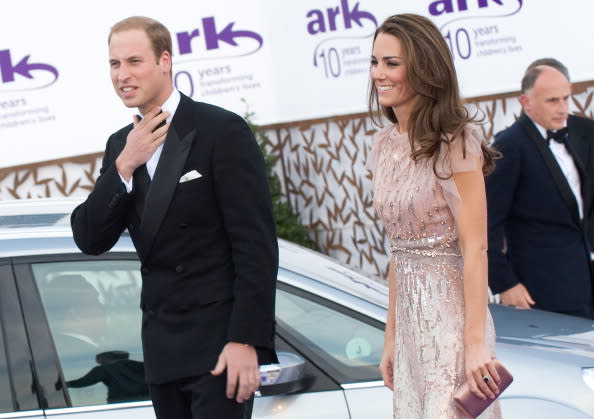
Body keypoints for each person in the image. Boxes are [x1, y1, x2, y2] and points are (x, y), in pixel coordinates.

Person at [70, 16, 278, 418]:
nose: (122, 75)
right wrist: (125, 165)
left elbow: (255, 247)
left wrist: (245, 340)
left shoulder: (220, 130)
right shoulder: (120, 145)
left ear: (165, 61)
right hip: (162, 351)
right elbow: (89, 237)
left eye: (134, 61)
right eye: (114, 64)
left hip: (219, 348)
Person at [367, 14, 502, 418]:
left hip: (453, 322)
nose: (379, 74)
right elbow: (399, 251)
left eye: (392, 63)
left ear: (425, 68)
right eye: (375, 62)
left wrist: (475, 344)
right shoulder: (384, 144)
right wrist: (391, 339)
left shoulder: (456, 142)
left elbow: (476, 247)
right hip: (410, 326)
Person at [486, 58, 594, 319]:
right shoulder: (508, 146)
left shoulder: (585, 131)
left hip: (587, 277)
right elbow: (486, 222)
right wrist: (505, 283)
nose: (562, 108)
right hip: (545, 289)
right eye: (552, 101)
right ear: (526, 102)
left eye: (566, 98)